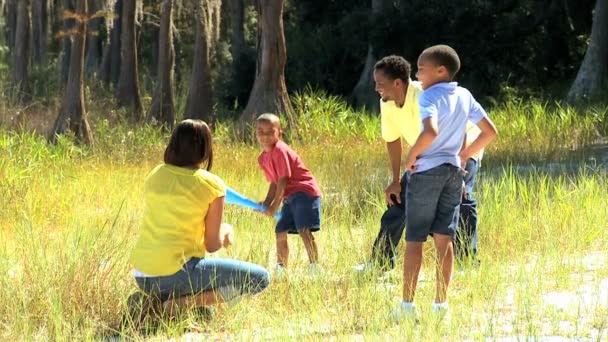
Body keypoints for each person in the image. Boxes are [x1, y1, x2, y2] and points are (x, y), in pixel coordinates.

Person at [394, 45, 498, 320]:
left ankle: (407, 306)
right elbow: (490, 131)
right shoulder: (464, 95)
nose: (417, 74)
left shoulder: (428, 96)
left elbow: (430, 131)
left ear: (441, 71)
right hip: (454, 173)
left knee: (415, 239)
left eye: (421, 68)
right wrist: (463, 155)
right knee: (445, 239)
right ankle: (441, 307)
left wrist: (412, 155)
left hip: (427, 171)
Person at [129, 119, 270, 321]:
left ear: (173, 144)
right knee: (259, 279)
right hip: (177, 273)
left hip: (142, 275)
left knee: (205, 314)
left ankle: (155, 304)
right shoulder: (212, 185)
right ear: (206, 149)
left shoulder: (156, 174)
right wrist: (226, 230)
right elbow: (212, 245)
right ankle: (175, 304)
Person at [256, 113, 322, 275]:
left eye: (270, 132)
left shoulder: (280, 150)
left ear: (279, 132)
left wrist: (274, 206)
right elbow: (274, 181)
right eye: (260, 131)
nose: (265, 136)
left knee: (303, 229)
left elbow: (283, 180)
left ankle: (315, 267)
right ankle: (281, 268)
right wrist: (266, 202)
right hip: (289, 196)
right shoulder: (263, 158)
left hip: (304, 191)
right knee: (280, 231)